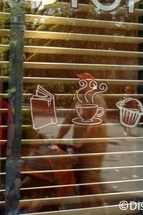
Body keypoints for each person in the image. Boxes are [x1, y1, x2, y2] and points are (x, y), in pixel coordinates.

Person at [56, 73, 108, 209]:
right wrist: (57, 139)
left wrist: (83, 141)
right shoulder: (78, 99)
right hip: (79, 147)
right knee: (80, 180)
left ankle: (104, 207)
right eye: (79, 81)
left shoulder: (97, 99)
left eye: (81, 81)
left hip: (93, 147)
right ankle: (86, 211)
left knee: (89, 180)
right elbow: (68, 119)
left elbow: (96, 123)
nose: (78, 83)